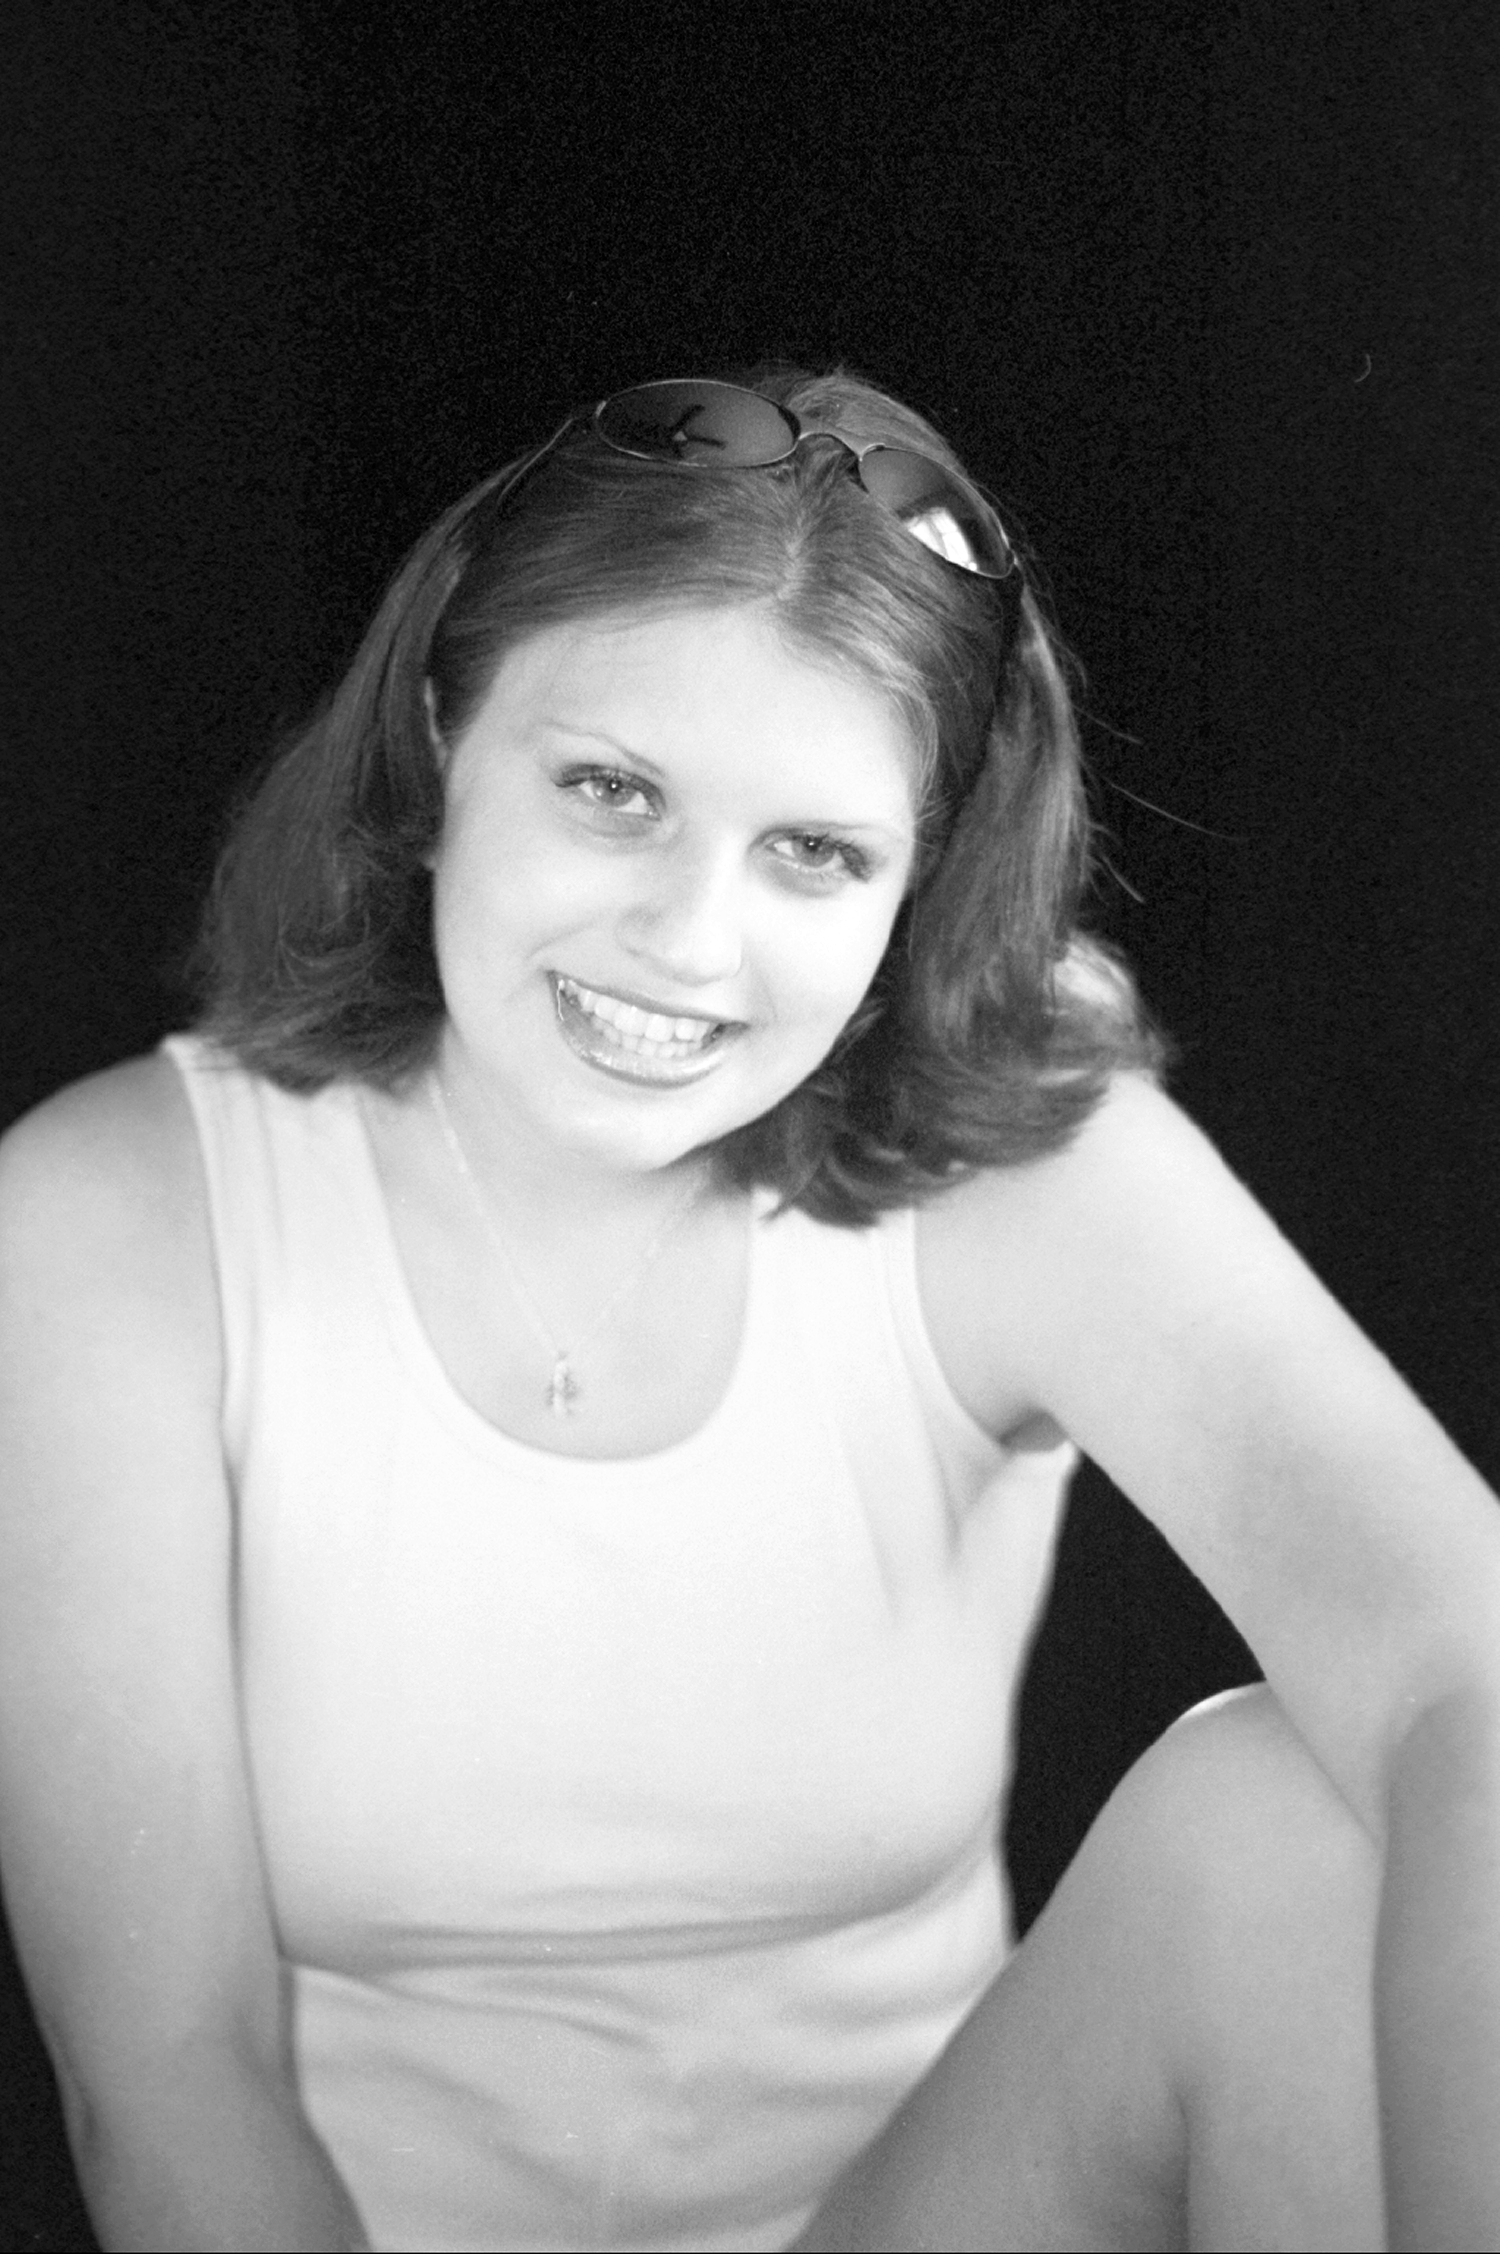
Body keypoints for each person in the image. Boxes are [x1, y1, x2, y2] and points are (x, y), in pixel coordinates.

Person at [0, 365, 1495, 2254]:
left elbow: (1463, 1665)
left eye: (815, 852)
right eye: (612, 791)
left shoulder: (1019, 1157)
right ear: (442, 740)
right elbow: (169, 2080)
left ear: (917, 884)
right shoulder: (116, 1220)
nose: (689, 942)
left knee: (1281, 1816)